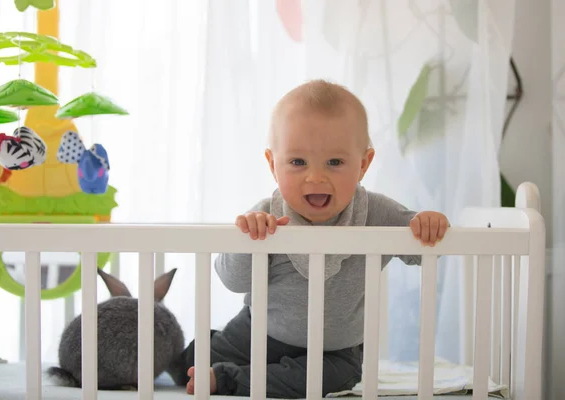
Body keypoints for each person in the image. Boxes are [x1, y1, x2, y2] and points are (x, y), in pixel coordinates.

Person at [182, 79, 450, 398]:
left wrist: (426, 224)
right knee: (186, 364)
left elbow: (419, 251)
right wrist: (250, 241)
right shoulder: (266, 216)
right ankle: (210, 357)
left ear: (363, 164)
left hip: (334, 350)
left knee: (333, 378)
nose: (316, 177)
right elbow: (233, 280)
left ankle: (232, 380)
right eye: (298, 162)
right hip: (257, 332)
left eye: (334, 162)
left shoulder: (375, 212)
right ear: (273, 164)